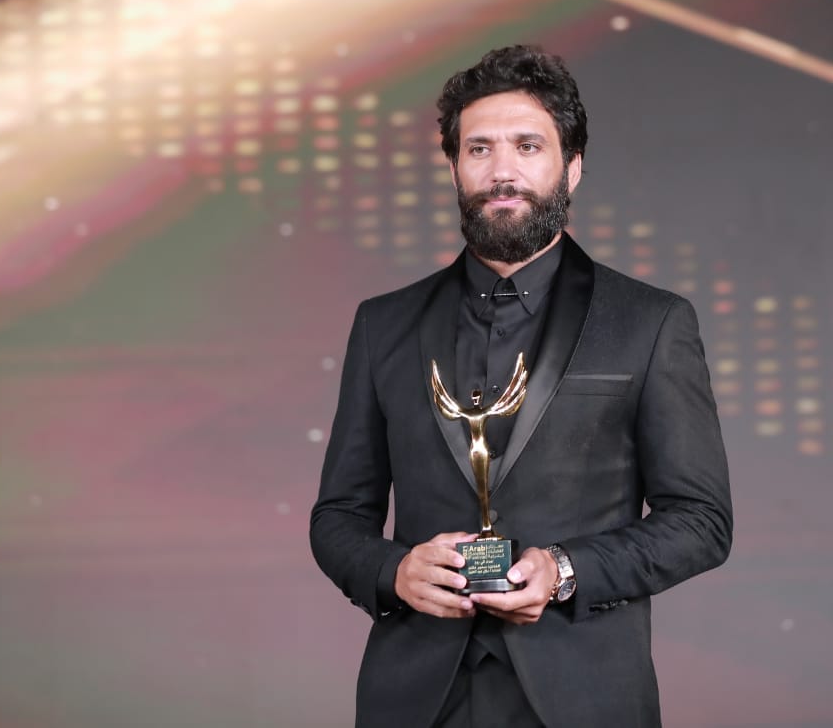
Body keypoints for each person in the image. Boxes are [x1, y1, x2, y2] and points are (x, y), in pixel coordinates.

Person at [310, 45, 732, 728]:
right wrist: (393, 572)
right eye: (479, 149)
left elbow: (702, 521)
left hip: (586, 698)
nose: (502, 171)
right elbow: (337, 517)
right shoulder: (381, 324)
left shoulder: (651, 322)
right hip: (415, 700)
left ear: (572, 166)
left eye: (527, 146)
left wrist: (566, 569)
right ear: (454, 167)